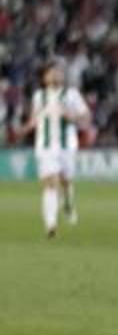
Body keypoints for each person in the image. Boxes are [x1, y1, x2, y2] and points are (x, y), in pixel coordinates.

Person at [17, 61, 91, 238]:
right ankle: (51, 224)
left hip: (67, 146)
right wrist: (25, 129)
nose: (55, 75)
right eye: (51, 72)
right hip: (45, 146)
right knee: (50, 183)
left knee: (65, 181)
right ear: (44, 77)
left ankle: (68, 203)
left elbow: (86, 117)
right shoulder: (38, 96)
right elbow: (35, 118)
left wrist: (71, 116)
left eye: (58, 72)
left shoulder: (71, 94)